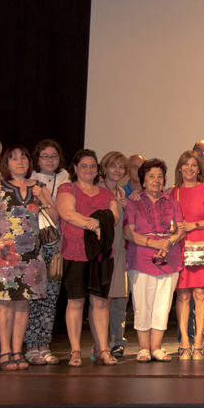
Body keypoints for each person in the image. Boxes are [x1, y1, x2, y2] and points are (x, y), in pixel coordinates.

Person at [0, 145, 56, 370]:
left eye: (23, 157)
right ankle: (4, 352)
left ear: (30, 162)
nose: (20, 161)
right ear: (6, 164)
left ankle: (17, 351)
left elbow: (54, 216)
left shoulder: (39, 187)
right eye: (13, 158)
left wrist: (44, 199)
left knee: (23, 304)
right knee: (4, 303)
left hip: (31, 255)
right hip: (5, 255)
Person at [56, 149, 119, 367]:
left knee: (100, 304)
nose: (89, 170)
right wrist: (95, 224)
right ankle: (75, 351)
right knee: (75, 302)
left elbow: (114, 217)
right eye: (84, 166)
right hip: (74, 253)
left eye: (92, 166)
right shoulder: (67, 188)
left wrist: (99, 222)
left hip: (101, 256)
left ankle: (103, 349)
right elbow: (67, 213)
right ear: (75, 168)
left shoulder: (106, 193)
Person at [123, 159, 185, 363]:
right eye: (151, 176)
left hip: (169, 257)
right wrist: (152, 243)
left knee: (163, 304)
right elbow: (128, 232)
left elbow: (180, 230)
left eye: (160, 176)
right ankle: (143, 348)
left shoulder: (172, 201)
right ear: (143, 180)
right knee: (142, 303)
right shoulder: (133, 201)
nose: (156, 180)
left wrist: (168, 242)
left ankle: (156, 347)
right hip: (141, 258)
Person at [171, 150, 204, 360]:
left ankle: (199, 340)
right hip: (180, 249)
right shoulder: (172, 192)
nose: (190, 168)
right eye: (186, 164)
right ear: (180, 168)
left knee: (200, 294)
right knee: (182, 295)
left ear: (199, 169)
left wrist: (194, 225)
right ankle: (185, 340)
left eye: (194, 165)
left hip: (201, 248)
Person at [25, 138, 69, 365]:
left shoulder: (67, 181)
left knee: (50, 298)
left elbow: (57, 215)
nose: (50, 160)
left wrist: (44, 199)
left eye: (54, 156)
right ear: (37, 159)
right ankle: (31, 347)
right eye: (45, 157)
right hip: (32, 246)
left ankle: (45, 345)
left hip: (55, 245)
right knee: (32, 298)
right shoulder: (28, 181)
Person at [98, 151, 129, 359]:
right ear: (104, 168)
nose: (117, 170)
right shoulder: (98, 191)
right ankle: (98, 346)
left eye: (121, 167)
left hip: (119, 252)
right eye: (113, 166)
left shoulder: (121, 192)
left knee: (116, 302)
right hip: (104, 253)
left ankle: (112, 343)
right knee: (101, 302)